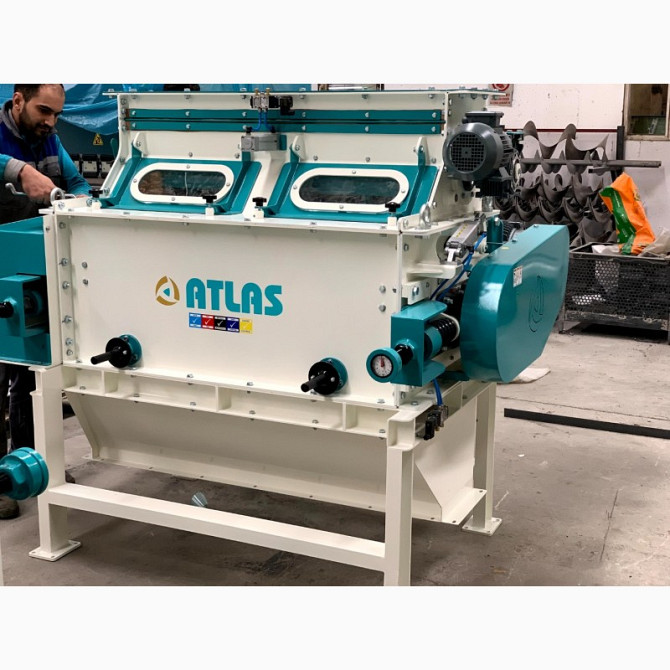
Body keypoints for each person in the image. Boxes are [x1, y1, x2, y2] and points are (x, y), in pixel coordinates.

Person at [0, 84, 91, 519]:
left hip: (30, 268)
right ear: (17, 101)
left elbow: (77, 183)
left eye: (56, 113)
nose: (51, 121)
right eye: (43, 110)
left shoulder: (50, 140)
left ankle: (29, 465)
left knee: (31, 371)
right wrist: (17, 170)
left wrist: (84, 203)